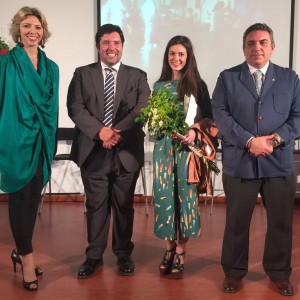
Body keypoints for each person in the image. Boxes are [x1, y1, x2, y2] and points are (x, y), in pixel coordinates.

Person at [212, 23, 300, 296]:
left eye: (263, 42)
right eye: (251, 43)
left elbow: (298, 117)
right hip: (241, 161)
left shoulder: (290, 78)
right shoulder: (228, 78)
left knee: (281, 222)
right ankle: (234, 272)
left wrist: (273, 141)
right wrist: (250, 141)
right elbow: (221, 116)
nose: (257, 47)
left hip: (278, 162)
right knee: (237, 222)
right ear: (244, 48)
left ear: (273, 47)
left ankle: (279, 273)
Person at [67, 24, 150, 278]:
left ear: (122, 46)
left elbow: (142, 108)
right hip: (93, 150)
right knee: (96, 205)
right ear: (98, 46)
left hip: (126, 151)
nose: (111, 48)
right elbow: (75, 108)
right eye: (105, 43)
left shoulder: (137, 75)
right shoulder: (82, 74)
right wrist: (100, 131)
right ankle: (94, 256)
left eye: (116, 43)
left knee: (124, 206)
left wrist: (114, 132)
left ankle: (124, 254)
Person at [0, 7, 59, 291]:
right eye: (26, 26)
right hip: (13, 140)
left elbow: (51, 110)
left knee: (33, 200)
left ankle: (20, 251)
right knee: (19, 200)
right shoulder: (5, 64)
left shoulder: (53, 68)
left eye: (36, 26)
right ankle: (27, 259)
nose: (32, 31)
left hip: (41, 141)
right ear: (18, 30)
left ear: (43, 31)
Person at [152, 35, 214, 279]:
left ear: (188, 58)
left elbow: (210, 120)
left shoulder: (198, 85)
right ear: (167, 57)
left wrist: (194, 130)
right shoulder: (158, 86)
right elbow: (153, 127)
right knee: (165, 200)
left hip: (188, 154)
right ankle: (168, 249)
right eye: (171, 54)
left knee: (186, 202)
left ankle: (181, 251)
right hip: (164, 151)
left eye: (181, 54)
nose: (176, 58)